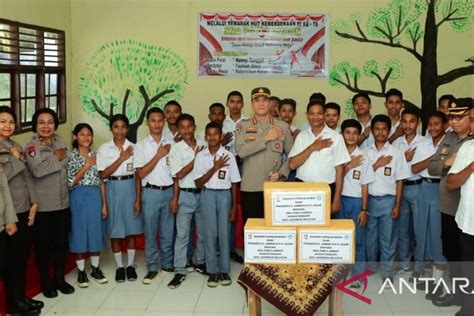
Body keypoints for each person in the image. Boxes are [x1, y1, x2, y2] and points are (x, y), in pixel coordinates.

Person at [428, 98, 473, 307]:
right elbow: (432, 168)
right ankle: (457, 294)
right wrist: (447, 162)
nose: (454, 122)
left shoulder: (471, 143)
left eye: (459, 117)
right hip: (448, 207)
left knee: (467, 257)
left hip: (468, 210)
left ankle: (465, 297)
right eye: (451, 117)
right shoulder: (448, 139)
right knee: (453, 254)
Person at [25, 108, 74, 298]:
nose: (46, 126)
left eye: (50, 122)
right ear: (35, 125)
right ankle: (46, 283)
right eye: (41, 122)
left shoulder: (59, 140)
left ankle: (60, 280)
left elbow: (66, 160)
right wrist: (57, 157)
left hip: (62, 203)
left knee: (61, 245)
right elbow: (37, 171)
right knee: (44, 248)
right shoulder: (32, 147)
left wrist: (56, 160)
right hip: (44, 207)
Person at [0, 106, 43, 314]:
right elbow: (3, 179)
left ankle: (21, 297)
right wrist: (15, 157)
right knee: (11, 261)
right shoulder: (8, 150)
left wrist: (34, 202)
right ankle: (13, 303)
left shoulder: (15, 145)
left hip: (25, 207)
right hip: (8, 213)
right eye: (2, 121)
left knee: (22, 258)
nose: (7, 125)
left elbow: (28, 177)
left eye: (10, 121)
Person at [363, 114, 410, 285]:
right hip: (370, 201)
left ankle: (388, 272)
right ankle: (371, 267)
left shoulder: (396, 153)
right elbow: (362, 179)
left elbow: (400, 180)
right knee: (370, 238)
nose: (380, 132)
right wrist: (378, 164)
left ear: (389, 131)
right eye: (377, 129)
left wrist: (397, 204)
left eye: (384, 129)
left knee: (388, 239)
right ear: (372, 131)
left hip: (389, 201)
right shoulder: (366, 153)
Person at [236, 87, 293, 223]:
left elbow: (292, 156)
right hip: (251, 188)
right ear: (252, 104)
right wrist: (266, 138)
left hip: (275, 186)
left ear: (270, 103)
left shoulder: (283, 126)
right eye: (257, 100)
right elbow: (241, 152)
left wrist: (281, 173)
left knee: (276, 231)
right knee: (253, 232)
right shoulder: (243, 126)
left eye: (265, 100)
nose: (261, 103)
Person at [97, 114, 143, 283]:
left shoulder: (135, 147)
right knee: (115, 230)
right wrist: (121, 158)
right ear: (111, 129)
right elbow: (103, 174)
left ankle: (130, 265)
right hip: (112, 188)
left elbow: (138, 175)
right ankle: (119, 267)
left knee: (131, 228)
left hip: (130, 186)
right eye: (116, 127)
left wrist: (138, 199)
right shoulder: (104, 149)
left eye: (123, 127)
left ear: (127, 129)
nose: (120, 130)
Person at [134, 108, 178, 284]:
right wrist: (159, 155)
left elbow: (176, 174)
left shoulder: (172, 144)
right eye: (153, 121)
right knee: (151, 232)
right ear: (147, 123)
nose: (157, 124)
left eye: (160, 120)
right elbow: (141, 173)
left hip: (168, 192)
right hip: (150, 193)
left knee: (168, 232)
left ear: (164, 122)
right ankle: (152, 266)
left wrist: (175, 196)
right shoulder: (141, 146)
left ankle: (167, 264)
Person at [194, 122, 240, 287]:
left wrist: (234, 206)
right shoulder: (200, 156)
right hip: (207, 195)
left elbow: (234, 182)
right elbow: (198, 183)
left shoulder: (229, 156)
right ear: (205, 137)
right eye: (209, 134)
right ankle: (212, 271)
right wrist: (215, 168)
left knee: (224, 233)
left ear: (221, 136)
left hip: (224, 197)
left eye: (216, 134)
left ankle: (224, 271)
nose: (212, 137)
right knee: (209, 234)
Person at [410, 111, 448, 301]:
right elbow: (415, 168)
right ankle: (423, 270)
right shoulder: (424, 144)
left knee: (437, 234)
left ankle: (438, 278)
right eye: (430, 124)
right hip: (424, 187)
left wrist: (431, 162)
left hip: (440, 190)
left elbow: (445, 169)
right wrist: (434, 158)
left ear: (445, 125)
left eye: (437, 124)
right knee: (422, 230)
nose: (433, 127)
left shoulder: (449, 144)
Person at [288, 99, 350, 212]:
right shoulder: (301, 136)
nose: (315, 117)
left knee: (324, 228)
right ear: (307, 116)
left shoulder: (336, 137)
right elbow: (292, 165)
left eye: (319, 113)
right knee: (303, 227)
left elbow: (340, 170)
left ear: (324, 115)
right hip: (302, 189)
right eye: (312, 113)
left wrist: (336, 199)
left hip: (326, 189)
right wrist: (313, 147)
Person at [167, 114, 206, 289]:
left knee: (203, 233)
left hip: (204, 194)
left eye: (189, 126)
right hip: (186, 195)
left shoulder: (203, 144)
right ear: (178, 130)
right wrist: (195, 158)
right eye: (182, 127)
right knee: (182, 234)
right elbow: (179, 174)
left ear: (194, 127)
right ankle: (180, 270)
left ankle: (199, 262)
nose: (186, 130)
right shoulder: (176, 149)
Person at [67, 123, 108, 288]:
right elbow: (71, 182)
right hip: (78, 196)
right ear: (76, 137)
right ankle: (81, 271)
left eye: (89, 134)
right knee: (79, 232)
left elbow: (102, 182)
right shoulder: (70, 157)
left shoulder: (97, 155)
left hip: (95, 197)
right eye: (82, 134)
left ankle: (95, 268)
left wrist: (104, 204)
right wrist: (86, 165)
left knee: (95, 231)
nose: (86, 138)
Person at [337, 119, 375, 288]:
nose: (351, 136)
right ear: (342, 134)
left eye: (354, 133)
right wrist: (349, 165)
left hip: (356, 201)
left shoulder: (363, 156)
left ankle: (358, 275)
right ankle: (339, 273)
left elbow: (365, 184)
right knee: (339, 239)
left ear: (360, 136)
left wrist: (364, 209)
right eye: (347, 132)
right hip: (338, 200)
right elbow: (333, 177)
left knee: (358, 240)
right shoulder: (336, 154)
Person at [446, 106, 474, 316]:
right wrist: (471, 167)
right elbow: (451, 183)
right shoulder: (467, 148)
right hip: (468, 222)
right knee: (468, 271)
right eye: (472, 120)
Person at [392, 107, 425, 273]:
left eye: (411, 121)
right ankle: (405, 262)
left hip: (418, 187)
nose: (407, 125)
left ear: (418, 122)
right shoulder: (396, 143)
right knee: (402, 228)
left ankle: (419, 264)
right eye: (404, 121)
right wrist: (405, 158)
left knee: (419, 229)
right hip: (400, 188)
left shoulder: (425, 142)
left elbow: (423, 168)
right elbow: (392, 167)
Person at [223, 91, 247, 264]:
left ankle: (248, 247)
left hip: (246, 167)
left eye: (238, 102)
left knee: (245, 207)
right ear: (227, 103)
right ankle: (228, 249)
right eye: (232, 101)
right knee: (229, 207)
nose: (235, 105)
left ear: (243, 104)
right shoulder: (221, 124)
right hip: (225, 168)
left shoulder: (249, 122)